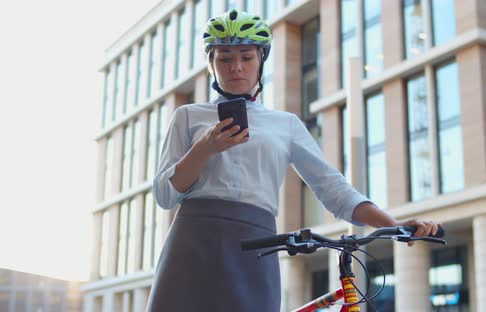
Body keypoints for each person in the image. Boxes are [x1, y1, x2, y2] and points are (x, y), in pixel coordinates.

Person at [145, 9, 441, 312]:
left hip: (256, 243)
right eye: (225, 58)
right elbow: (165, 195)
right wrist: (205, 146)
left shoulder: (285, 124)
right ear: (212, 63)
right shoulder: (187, 116)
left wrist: (393, 225)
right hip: (191, 242)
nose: (236, 67)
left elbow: (332, 188)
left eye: (247, 57)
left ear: (261, 60)